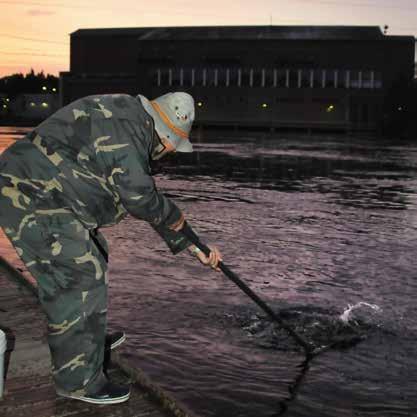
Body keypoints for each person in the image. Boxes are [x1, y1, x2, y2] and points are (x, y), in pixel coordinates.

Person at [0, 91, 222, 404]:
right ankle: (76, 381)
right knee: (79, 273)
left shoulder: (129, 116)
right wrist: (182, 225)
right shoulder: (128, 133)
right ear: (167, 134)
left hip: (49, 193)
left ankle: (85, 338)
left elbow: (135, 191)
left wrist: (192, 244)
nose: (170, 152)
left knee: (96, 251)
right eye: (173, 145)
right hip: (28, 193)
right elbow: (141, 198)